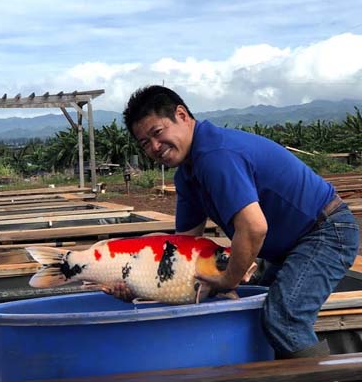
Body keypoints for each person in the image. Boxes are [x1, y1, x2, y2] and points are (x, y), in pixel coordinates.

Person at [120, 85, 360, 359]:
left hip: (326, 231)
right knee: (255, 308)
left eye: (157, 133)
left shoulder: (215, 155)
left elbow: (254, 227)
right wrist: (134, 279)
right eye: (144, 143)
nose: (154, 147)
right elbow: (183, 247)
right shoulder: (187, 175)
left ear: (182, 115)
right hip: (292, 245)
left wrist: (227, 280)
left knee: (285, 318)